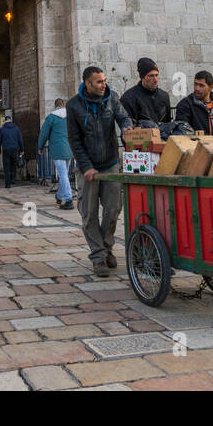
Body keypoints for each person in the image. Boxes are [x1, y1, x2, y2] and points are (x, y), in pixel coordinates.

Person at [66, 66, 134, 276]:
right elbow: (74, 140)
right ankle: (98, 257)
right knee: (89, 213)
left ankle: (107, 247)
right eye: (98, 82)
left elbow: (123, 117)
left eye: (104, 80)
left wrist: (126, 127)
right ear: (87, 83)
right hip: (88, 167)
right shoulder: (74, 105)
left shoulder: (112, 98)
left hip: (110, 162)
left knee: (113, 209)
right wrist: (86, 167)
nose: (103, 85)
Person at [38, 98, 75, 210]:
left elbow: (43, 133)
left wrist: (40, 147)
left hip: (57, 150)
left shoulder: (51, 117)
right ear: (63, 105)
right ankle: (59, 196)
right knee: (65, 174)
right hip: (70, 149)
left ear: (55, 106)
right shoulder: (71, 117)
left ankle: (68, 200)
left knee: (63, 175)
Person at [120, 57, 172, 127]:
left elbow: (168, 124)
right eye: (151, 76)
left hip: (162, 136)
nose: (155, 79)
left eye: (156, 75)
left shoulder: (164, 96)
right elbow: (128, 128)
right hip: (141, 137)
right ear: (142, 77)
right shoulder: (128, 98)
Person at [0, 116, 25, 189]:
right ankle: (12, 179)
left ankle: (7, 184)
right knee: (13, 164)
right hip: (15, 149)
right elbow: (20, 140)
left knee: (6, 166)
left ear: (5, 121)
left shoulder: (2, 129)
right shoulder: (16, 128)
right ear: (11, 120)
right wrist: (22, 150)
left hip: (6, 150)